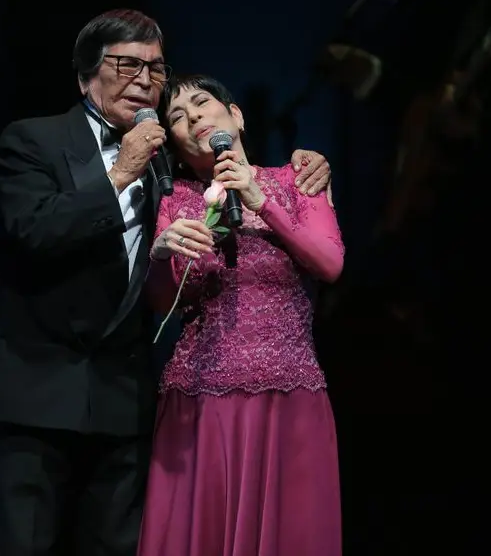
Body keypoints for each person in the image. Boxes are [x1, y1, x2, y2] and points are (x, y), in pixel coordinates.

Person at [0, 9, 333, 556]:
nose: (145, 79)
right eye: (127, 64)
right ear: (85, 77)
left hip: (127, 400)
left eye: (157, 69)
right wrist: (119, 174)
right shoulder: (35, 140)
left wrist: (304, 168)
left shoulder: (173, 161)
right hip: (38, 397)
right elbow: (35, 230)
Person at [136, 74, 344, 556]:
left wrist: (260, 200)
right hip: (203, 400)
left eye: (203, 104)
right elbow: (164, 302)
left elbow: (329, 264)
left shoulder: (300, 180)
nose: (193, 120)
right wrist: (160, 256)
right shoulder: (176, 202)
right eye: (178, 119)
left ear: (237, 116)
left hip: (289, 396)